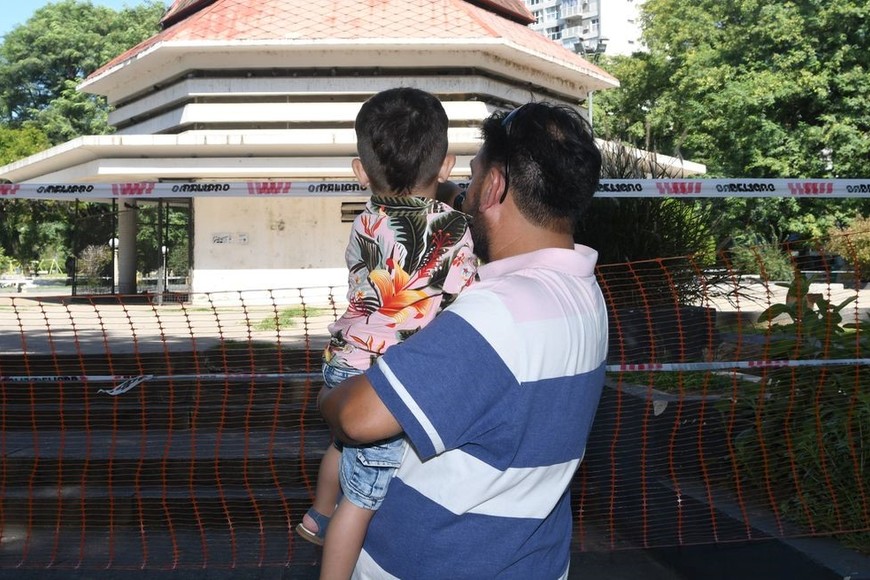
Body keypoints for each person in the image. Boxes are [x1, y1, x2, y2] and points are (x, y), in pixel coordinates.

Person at [319, 101, 608, 578]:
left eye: (472, 178)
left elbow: (356, 418)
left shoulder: (500, 312)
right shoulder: (583, 292)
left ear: (493, 185)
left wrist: (328, 395)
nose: (462, 191)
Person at [295, 87, 477, 577]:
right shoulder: (458, 230)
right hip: (387, 377)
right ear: (447, 165)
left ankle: (317, 511)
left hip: (343, 361)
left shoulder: (363, 222)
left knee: (342, 442)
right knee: (364, 500)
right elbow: (465, 295)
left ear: (360, 171)